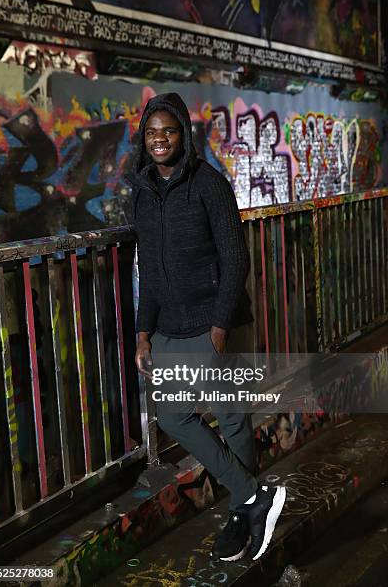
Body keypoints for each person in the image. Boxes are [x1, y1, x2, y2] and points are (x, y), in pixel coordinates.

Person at [130, 92, 286, 562]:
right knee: (174, 415)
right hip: (170, 327)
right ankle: (253, 496)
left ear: (183, 136)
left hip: (216, 321)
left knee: (232, 415)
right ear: (144, 139)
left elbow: (236, 258)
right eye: (152, 133)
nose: (160, 140)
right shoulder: (142, 193)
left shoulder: (209, 185)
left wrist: (219, 328)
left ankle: (243, 513)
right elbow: (151, 271)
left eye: (169, 131)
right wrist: (142, 332)